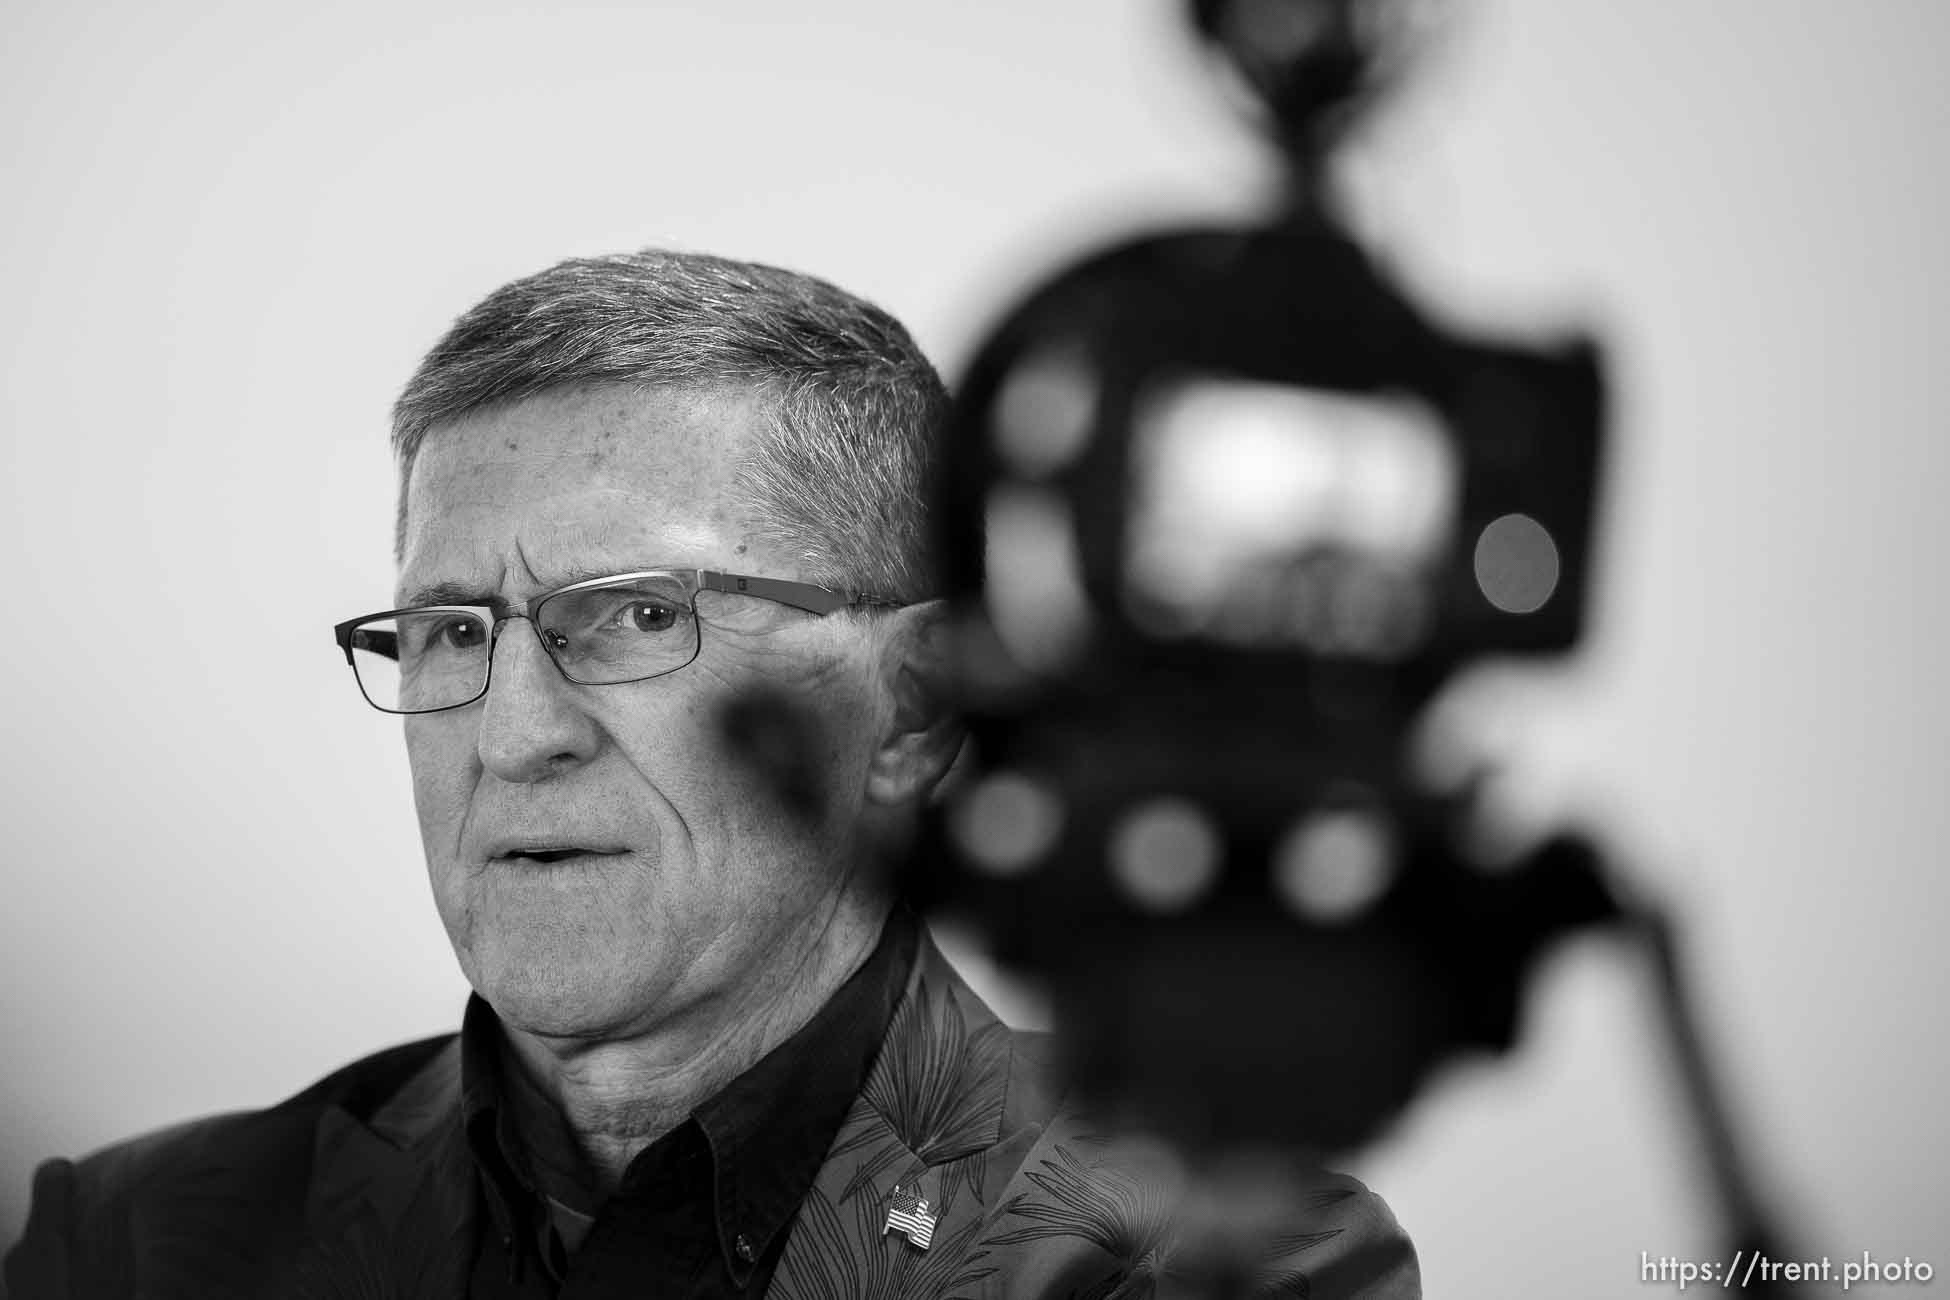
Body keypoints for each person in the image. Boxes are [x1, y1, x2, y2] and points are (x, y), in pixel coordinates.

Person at [3, 249, 1420, 1297]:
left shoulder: (1211, 1260)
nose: (510, 734)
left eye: (631, 615)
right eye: (448, 633)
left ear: (915, 709)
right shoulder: (138, 1242)